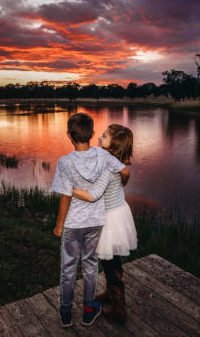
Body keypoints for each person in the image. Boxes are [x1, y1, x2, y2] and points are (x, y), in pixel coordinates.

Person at [51, 113, 130, 328]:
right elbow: (124, 170)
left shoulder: (65, 162)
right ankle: (88, 310)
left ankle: (66, 313)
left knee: (68, 269)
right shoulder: (102, 156)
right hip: (95, 223)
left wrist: (59, 225)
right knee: (90, 267)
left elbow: (65, 197)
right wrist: (122, 184)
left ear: (69, 135)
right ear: (93, 133)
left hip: (73, 224)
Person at [71, 124, 137, 323]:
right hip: (117, 214)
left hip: (109, 218)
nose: (99, 138)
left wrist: (69, 189)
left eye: (104, 136)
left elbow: (92, 195)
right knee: (113, 259)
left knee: (108, 261)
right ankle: (111, 291)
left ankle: (119, 308)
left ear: (113, 146)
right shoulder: (114, 163)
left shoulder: (107, 167)